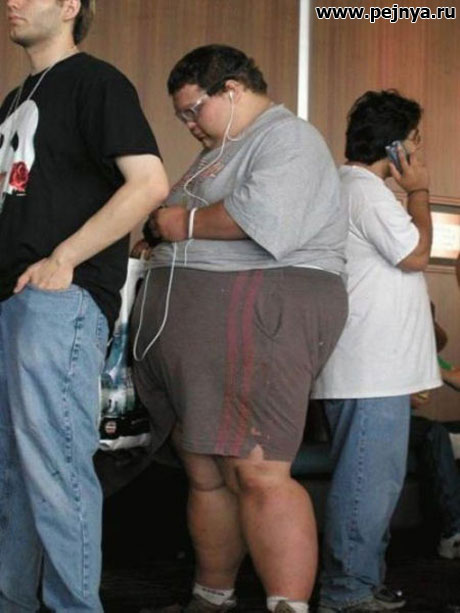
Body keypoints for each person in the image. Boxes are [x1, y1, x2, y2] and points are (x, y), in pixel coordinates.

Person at [132, 44, 348, 613]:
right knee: (205, 471)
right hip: (201, 327)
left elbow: (265, 218)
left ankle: (287, 607)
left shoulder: (287, 138)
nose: (188, 124)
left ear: (231, 90)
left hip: (261, 310)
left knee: (257, 469)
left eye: (193, 110)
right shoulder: (220, 150)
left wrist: (179, 223)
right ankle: (213, 597)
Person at [0, 0, 168, 610]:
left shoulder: (97, 82)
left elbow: (150, 183)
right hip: (16, 302)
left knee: (55, 468)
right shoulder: (18, 98)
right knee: (14, 474)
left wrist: (64, 258)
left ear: (71, 5)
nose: (12, 2)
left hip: (56, 302)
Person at [312, 90, 442, 613]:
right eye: (414, 141)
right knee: (366, 485)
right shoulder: (364, 192)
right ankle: (347, 591)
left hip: (375, 370)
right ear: (395, 148)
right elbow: (417, 254)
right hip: (370, 372)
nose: (418, 151)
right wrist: (420, 190)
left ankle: (363, 583)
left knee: (374, 485)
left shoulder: (352, 190)